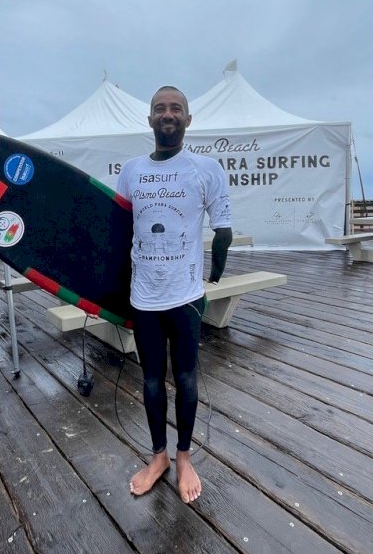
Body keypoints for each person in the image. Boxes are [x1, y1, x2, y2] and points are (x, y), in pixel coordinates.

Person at [117, 85, 232, 504]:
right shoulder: (131, 170)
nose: (168, 114)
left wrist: (217, 270)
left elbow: (224, 227)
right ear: (149, 119)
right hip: (143, 296)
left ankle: (183, 457)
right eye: (160, 108)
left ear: (188, 119)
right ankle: (158, 456)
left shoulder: (205, 168)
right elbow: (117, 230)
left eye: (176, 108)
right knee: (150, 379)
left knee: (185, 377)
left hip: (185, 296)